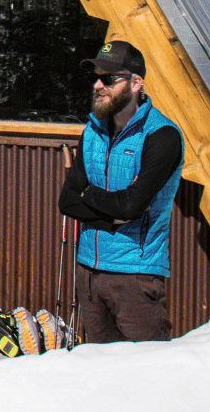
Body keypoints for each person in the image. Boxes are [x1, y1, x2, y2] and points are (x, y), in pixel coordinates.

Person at [57, 40, 183, 343]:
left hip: (135, 276)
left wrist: (90, 195)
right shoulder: (92, 132)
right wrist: (108, 219)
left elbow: (132, 206)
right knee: (101, 374)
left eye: (109, 78)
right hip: (89, 274)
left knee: (146, 374)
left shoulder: (162, 135)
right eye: (96, 78)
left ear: (136, 83)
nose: (99, 85)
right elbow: (67, 201)